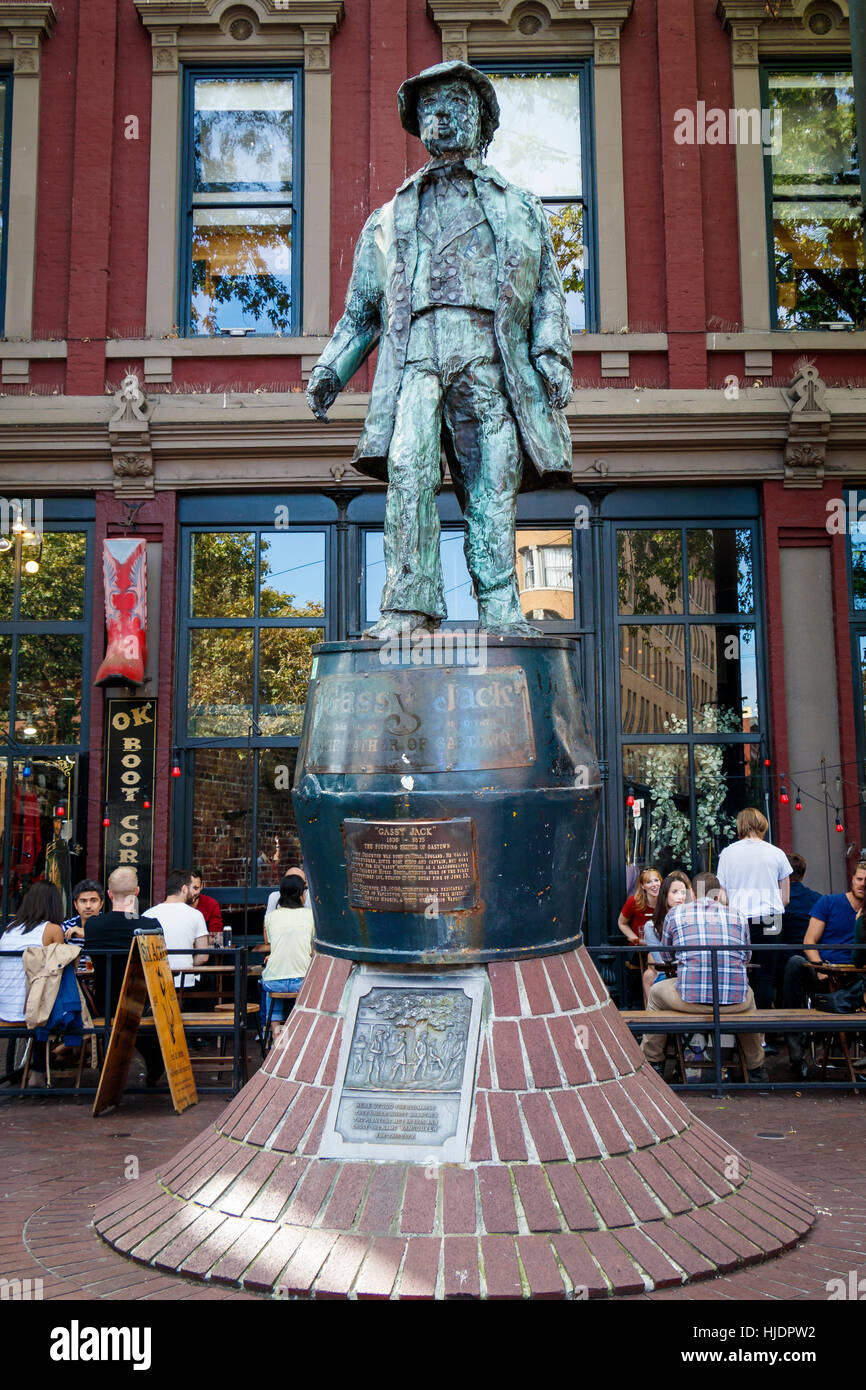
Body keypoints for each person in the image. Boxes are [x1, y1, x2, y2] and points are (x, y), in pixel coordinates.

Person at [307, 61, 573, 639]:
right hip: (418, 359)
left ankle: (501, 608)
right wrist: (332, 368)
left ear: (481, 118)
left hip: (489, 357)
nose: (441, 117)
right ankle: (409, 607)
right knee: (408, 467)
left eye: (454, 104)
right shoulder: (388, 218)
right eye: (430, 109)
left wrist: (552, 357)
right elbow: (362, 314)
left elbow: (549, 295)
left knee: (492, 482)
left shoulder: (519, 208)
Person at [640, 871, 767, 1082]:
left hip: (690, 999)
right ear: (719, 895)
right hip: (733, 1002)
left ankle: (654, 1062)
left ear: (692, 892)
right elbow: (746, 956)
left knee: (654, 993)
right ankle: (756, 1068)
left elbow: (665, 957)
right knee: (749, 997)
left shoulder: (676, 914)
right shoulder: (738, 916)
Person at [79, 866, 163, 1086]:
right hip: (141, 1003)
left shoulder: (94, 926)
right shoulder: (150, 925)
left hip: (105, 1004)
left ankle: (113, 1076)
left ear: (108, 894)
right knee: (146, 1023)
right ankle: (156, 1068)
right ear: (136, 892)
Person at [783, 860, 866, 1073]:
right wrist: (819, 968)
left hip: (857, 980)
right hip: (824, 973)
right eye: (859, 879)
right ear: (852, 879)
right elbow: (809, 940)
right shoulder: (829, 902)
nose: (863, 884)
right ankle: (795, 1053)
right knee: (795, 963)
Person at [716, 808, 792, 1008]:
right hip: (771, 917)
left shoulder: (727, 854)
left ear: (740, 826)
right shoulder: (777, 853)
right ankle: (762, 1034)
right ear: (762, 824)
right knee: (766, 974)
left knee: (739, 972)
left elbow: (723, 896)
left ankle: (742, 1028)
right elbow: (785, 898)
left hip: (739, 918)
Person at [0, 882, 65, 1083]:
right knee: (53, 997)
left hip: (3, 1007)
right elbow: (61, 966)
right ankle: (38, 1070)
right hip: (30, 1011)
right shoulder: (52, 930)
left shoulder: (9, 930)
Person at [260, 874, 315, 1042]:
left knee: (269, 986)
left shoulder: (270, 917)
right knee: (312, 986)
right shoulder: (311, 916)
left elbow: (269, 942)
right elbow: (312, 950)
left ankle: (278, 1040)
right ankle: (302, 1038)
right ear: (301, 895)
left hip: (274, 981)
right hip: (302, 980)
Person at [142, 868, 209, 988]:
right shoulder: (195, 915)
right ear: (184, 889)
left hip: (154, 982)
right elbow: (203, 956)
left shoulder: (147, 914)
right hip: (184, 981)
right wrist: (186, 962)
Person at [642, 870, 692, 1003]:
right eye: (675, 892)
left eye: (683, 892)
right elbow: (661, 963)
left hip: (691, 972)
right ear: (665, 895)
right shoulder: (651, 926)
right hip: (668, 974)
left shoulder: (692, 920)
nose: (680, 897)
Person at [189, 869, 224, 937]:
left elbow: (216, 937)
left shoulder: (211, 904)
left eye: (196, 888)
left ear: (201, 886)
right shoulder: (177, 904)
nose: (192, 893)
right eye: (189, 888)